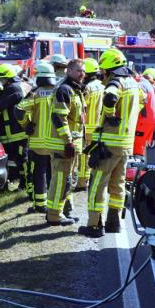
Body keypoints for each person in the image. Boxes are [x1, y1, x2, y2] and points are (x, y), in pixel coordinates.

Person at [79, 49, 144, 238]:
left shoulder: (116, 82)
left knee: (97, 184)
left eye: (103, 72)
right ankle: (113, 223)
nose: (102, 76)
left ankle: (94, 225)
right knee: (118, 183)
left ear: (108, 70)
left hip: (108, 145)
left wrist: (110, 114)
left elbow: (110, 97)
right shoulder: (134, 83)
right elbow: (143, 100)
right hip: (125, 144)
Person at [45, 59, 86, 226]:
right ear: (69, 71)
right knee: (61, 180)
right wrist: (68, 142)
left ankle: (63, 211)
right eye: (78, 71)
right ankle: (54, 215)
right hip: (63, 145)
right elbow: (59, 118)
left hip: (71, 145)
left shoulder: (75, 89)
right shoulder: (64, 89)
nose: (82, 74)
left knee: (68, 180)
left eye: (83, 71)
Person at [0, 64, 30, 190]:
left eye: (2, 79)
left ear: (8, 78)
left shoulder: (13, 88)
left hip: (18, 131)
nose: (1, 81)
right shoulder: (12, 87)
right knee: (18, 160)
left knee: (22, 159)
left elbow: (1, 105)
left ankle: (26, 184)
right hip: (15, 131)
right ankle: (21, 183)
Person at [16, 62, 56, 213]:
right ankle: (54, 203)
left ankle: (40, 204)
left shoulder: (35, 93)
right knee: (54, 172)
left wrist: (26, 125)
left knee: (39, 171)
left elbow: (19, 110)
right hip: (56, 141)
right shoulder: (59, 91)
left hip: (38, 142)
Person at [76, 58, 104, 191]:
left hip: (88, 127)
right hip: (99, 127)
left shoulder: (88, 87)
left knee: (84, 156)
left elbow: (82, 106)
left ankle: (82, 182)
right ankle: (90, 179)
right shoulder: (102, 85)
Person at [134, 66, 155, 156]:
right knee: (145, 144)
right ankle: (142, 162)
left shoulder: (141, 85)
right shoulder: (146, 84)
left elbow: (140, 101)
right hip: (151, 120)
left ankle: (137, 162)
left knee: (137, 145)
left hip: (144, 120)